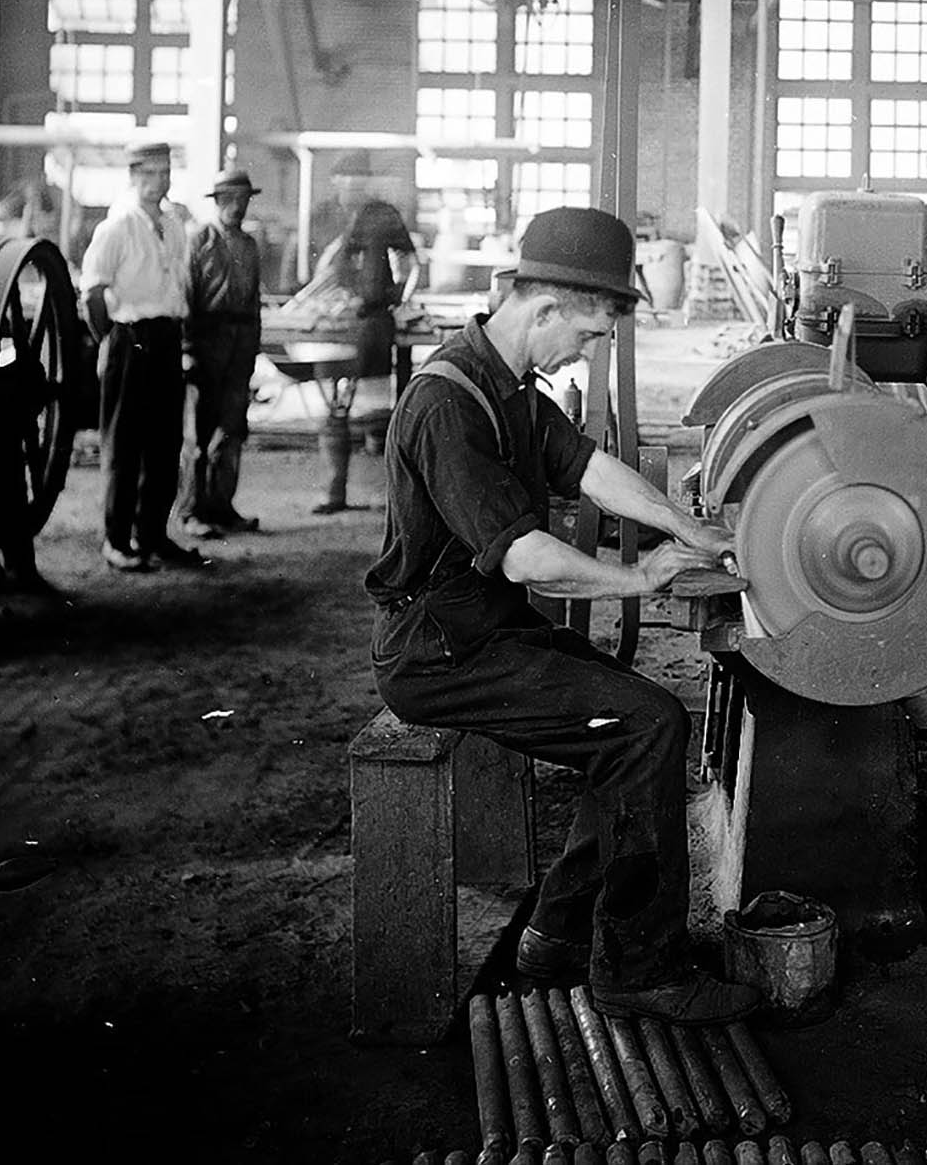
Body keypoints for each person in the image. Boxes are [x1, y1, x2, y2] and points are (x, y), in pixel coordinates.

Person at [366, 206, 762, 1026]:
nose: (585, 351)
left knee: (623, 714)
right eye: (585, 334)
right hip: (438, 651)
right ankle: (638, 968)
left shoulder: (506, 385)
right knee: (645, 724)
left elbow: (588, 468)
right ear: (544, 309)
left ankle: (554, 933)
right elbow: (525, 557)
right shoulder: (450, 403)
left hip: (482, 629)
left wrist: (687, 528)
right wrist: (638, 576)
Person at [78, 141, 210, 573]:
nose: (160, 181)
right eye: (150, 174)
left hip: (167, 338)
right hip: (129, 338)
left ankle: (152, 535)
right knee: (125, 445)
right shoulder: (116, 227)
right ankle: (117, 541)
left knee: (165, 443)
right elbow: (93, 294)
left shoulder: (173, 225)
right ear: (133, 175)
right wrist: (109, 341)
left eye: (165, 172)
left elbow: (179, 291)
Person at [305, 191, 418, 515]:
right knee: (340, 411)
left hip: (371, 327)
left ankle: (372, 494)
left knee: (373, 414)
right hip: (347, 329)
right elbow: (332, 274)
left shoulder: (377, 219)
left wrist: (394, 296)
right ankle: (340, 492)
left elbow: (409, 266)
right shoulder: (338, 231)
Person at [178, 169, 265, 538]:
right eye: (230, 199)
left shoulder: (248, 245)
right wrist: (186, 349)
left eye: (243, 200)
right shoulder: (199, 240)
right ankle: (192, 511)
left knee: (232, 428)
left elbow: (255, 301)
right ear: (217, 202)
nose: (237, 207)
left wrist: (252, 350)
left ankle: (222, 506)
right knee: (199, 431)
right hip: (207, 341)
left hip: (240, 344)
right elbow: (185, 296)